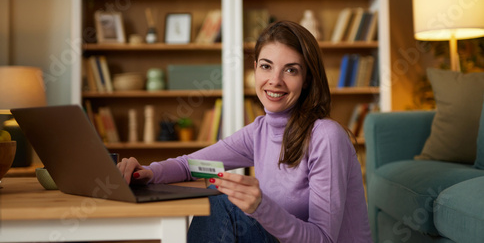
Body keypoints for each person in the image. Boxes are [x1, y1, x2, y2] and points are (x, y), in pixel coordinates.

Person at [118, 20, 372, 243]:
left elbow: (324, 239)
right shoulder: (259, 132)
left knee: (222, 205)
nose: (275, 80)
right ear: (254, 69)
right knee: (217, 200)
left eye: (291, 70)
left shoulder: (326, 136)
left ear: (307, 79)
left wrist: (261, 207)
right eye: (266, 66)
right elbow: (192, 166)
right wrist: (148, 172)